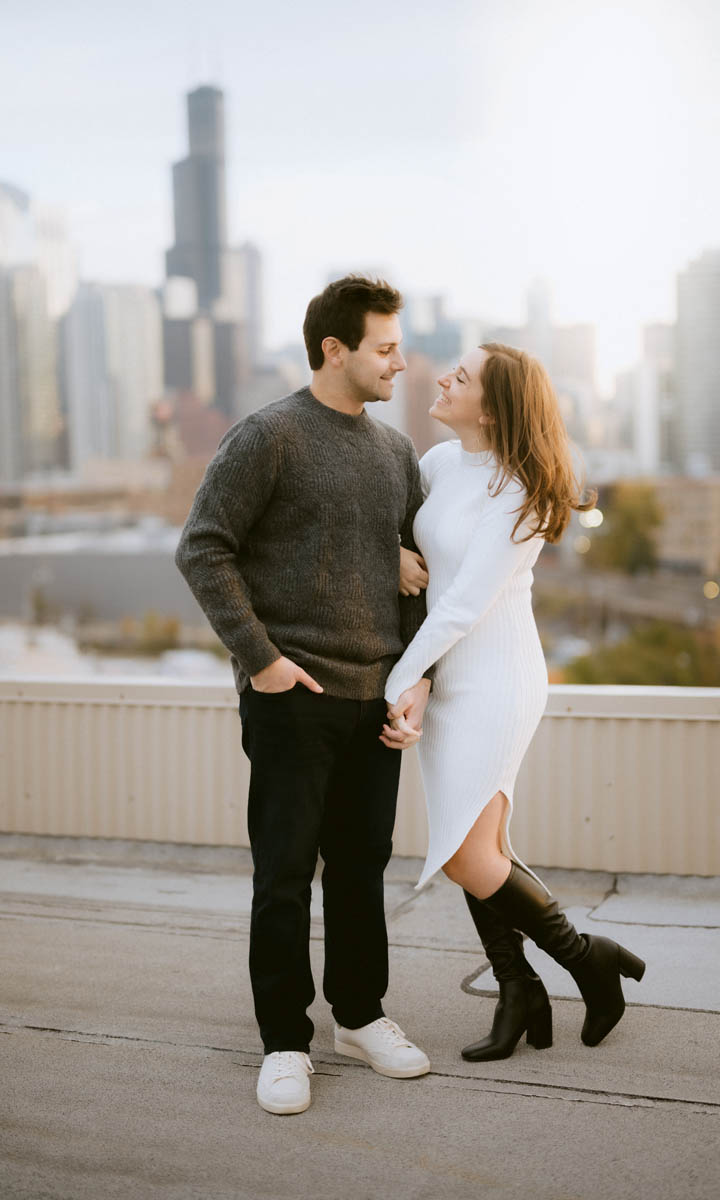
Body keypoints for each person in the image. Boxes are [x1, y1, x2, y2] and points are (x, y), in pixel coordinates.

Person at [175, 275, 432, 1115]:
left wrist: (418, 680)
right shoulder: (269, 437)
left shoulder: (395, 454)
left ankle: (359, 1015)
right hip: (292, 694)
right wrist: (263, 662)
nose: (401, 361)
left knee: (360, 871)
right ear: (336, 349)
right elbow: (204, 549)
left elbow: (416, 577)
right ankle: (285, 1041)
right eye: (386, 347)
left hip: (375, 699)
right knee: (284, 875)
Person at [382, 343, 646, 1061]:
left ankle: (586, 957)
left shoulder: (520, 491)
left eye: (460, 378)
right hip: (443, 676)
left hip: (495, 681)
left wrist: (400, 678)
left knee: (469, 858)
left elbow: (464, 603)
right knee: (480, 846)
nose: (442, 378)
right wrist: (397, 564)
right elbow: (411, 558)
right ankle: (517, 988)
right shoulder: (437, 465)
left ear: (494, 408)